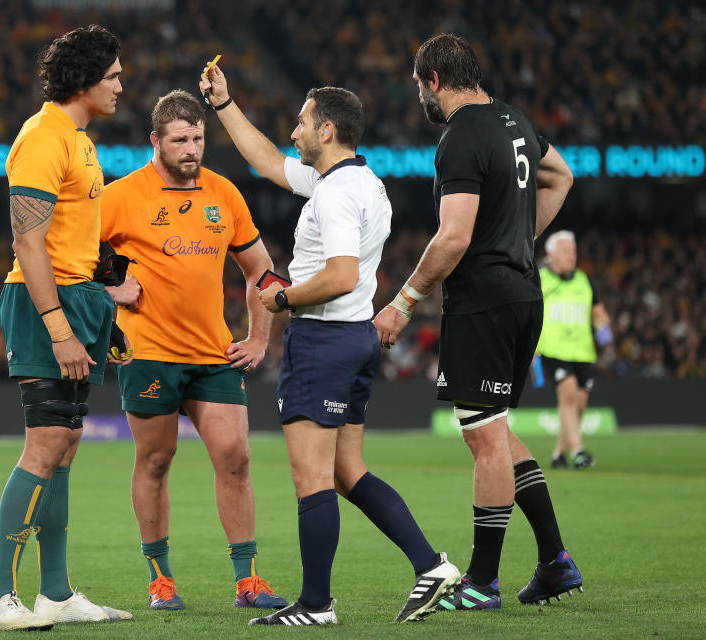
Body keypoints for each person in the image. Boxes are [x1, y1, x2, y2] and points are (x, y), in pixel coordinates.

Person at [200, 64, 460, 627]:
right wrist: (224, 105)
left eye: (301, 122)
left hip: (322, 339)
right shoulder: (360, 183)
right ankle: (431, 566)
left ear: (326, 131)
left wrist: (282, 299)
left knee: (311, 478)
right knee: (347, 472)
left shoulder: (334, 196)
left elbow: (340, 273)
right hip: (357, 336)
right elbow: (266, 161)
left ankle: (316, 605)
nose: (293, 132)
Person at [374, 33, 581, 611]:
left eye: (420, 86)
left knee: (484, 440)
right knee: (497, 430)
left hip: (485, 301)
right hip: (523, 293)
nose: (422, 96)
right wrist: (517, 240)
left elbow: (455, 235)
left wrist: (404, 300)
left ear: (433, 79)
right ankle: (555, 562)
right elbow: (560, 177)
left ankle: (482, 584)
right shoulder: (515, 120)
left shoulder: (460, 136)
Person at [99, 89, 288, 612]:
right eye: (180, 140)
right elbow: (60, 254)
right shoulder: (121, 196)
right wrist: (109, 290)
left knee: (235, 457)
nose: (191, 148)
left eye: (198, 138)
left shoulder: (223, 194)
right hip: (150, 353)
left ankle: (248, 582)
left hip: (212, 355)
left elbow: (261, 272)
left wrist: (257, 338)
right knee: (156, 460)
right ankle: (161, 580)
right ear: (155, 141)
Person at [0, 25, 135, 631]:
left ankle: (57, 594)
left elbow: (74, 244)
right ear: (86, 80)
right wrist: (60, 328)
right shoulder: (44, 137)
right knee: (44, 447)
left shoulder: (79, 140)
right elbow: (28, 239)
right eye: (114, 76)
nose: (121, 86)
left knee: (66, 448)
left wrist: (103, 312)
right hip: (45, 308)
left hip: (78, 303)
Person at [536, 230, 612, 470]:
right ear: (551, 254)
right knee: (568, 393)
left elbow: (599, 313)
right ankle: (579, 450)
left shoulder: (584, 280)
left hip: (583, 351)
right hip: (553, 349)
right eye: (566, 251)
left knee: (579, 403)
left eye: (574, 251)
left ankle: (559, 453)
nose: (572, 256)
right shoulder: (539, 280)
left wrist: (604, 331)